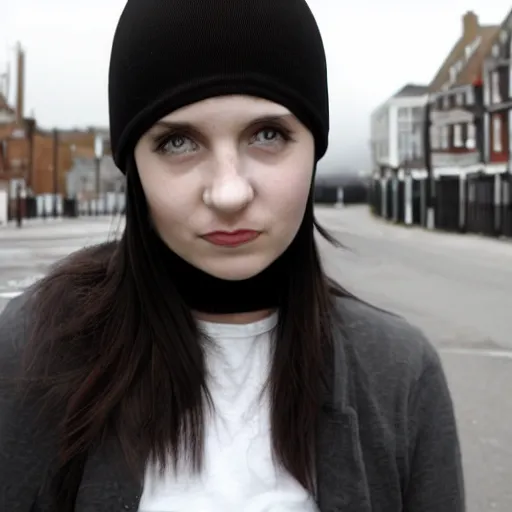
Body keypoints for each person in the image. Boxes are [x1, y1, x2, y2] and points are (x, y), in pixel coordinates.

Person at [0, 0, 465, 510]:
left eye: (268, 135)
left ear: (316, 146)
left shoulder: (399, 373)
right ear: (133, 160)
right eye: (178, 141)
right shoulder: (31, 355)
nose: (228, 193)